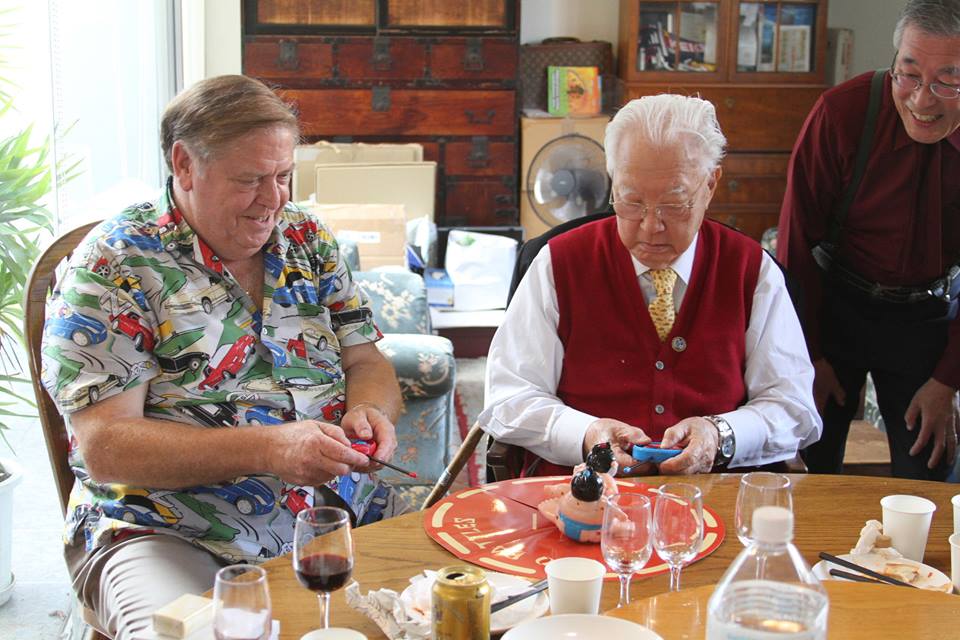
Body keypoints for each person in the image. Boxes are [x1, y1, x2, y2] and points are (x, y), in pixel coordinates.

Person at [40, 75, 404, 639]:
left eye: (283, 176)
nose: (274, 200)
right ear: (185, 165)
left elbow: (366, 362)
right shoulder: (114, 265)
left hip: (338, 514)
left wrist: (371, 411)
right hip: (165, 527)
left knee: (456, 608)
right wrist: (269, 449)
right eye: (250, 179)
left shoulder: (307, 239)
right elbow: (105, 447)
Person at [480, 94, 822, 477]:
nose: (651, 226)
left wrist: (720, 434)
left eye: (674, 204)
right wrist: (586, 433)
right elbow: (509, 397)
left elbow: (793, 406)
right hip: (580, 495)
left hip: (716, 496)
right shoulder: (558, 263)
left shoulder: (750, 269)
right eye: (631, 201)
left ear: (711, 184)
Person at [777, 0, 960, 480]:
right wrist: (808, 355)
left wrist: (947, 380)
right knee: (810, 466)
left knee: (929, 472)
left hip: (926, 315)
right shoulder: (844, 113)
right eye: (909, 75)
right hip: (835, 303)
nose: (922, 101)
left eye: (947, 81)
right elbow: (795, 242)